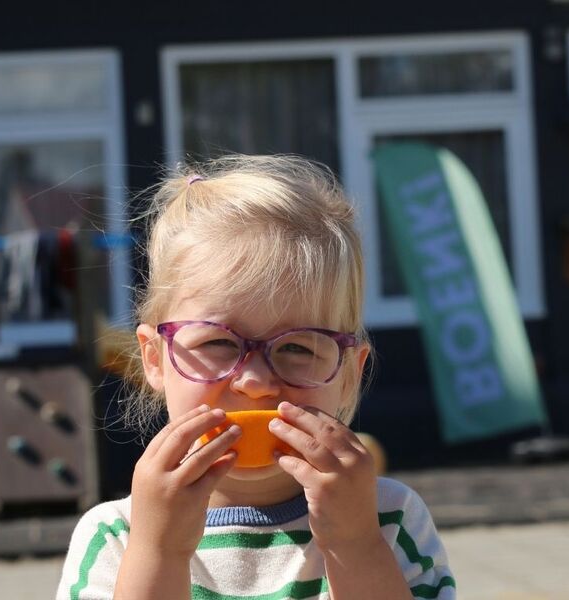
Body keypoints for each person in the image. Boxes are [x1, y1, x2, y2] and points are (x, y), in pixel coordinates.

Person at [56, 155, 455, 599]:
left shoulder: (388, 519)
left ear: (348, 375)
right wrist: (160, 551)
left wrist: (354, 545)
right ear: (154, 358)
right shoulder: (115, 536)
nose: (255, 382)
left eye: (298, 347)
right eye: (216, 343)